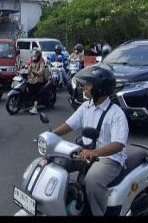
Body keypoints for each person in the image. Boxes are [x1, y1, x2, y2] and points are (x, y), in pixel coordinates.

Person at [50, 64, 128, 216]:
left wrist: (95, 153)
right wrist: (51, 135)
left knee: (92, 181)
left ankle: (97, 213)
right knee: (56, 163)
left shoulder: (116, 114)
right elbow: (69, 125)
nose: (84, 88)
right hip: (86, 153)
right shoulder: (86, 106)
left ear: (99, 88)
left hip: (109, 159)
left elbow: (118, 144)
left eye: (88, 85)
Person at [26, 49, 47, 115]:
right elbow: (28, 69)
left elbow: (42, 71)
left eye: (35, 57)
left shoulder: (41, 62)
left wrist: (36, 72)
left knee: (36, 92)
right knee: (27, 85)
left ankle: (35, 108)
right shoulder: (32, 62)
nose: (34, 58)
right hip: (32, 79)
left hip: (39, 80)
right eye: (33, 57)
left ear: (38, 57)